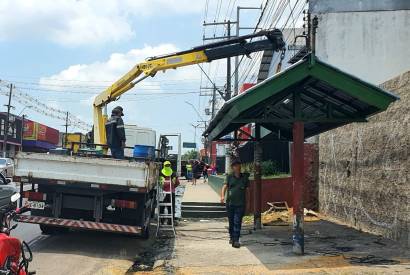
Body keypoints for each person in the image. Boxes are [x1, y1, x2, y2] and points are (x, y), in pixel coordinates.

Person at [220, 159, 249, 248]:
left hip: (240, 204)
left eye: (238, 165)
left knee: (237, 221)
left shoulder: (244, 178)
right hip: (230, 203)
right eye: (235, 166)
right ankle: (232, 237)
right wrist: (222, 196)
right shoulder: (229, 177)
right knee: (231, 222)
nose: (238, 167)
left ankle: (236, 240)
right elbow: (224, 187)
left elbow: (248, 191)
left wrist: (249, 203)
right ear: (233, 168)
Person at [160, 160, 180, 224]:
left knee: (162, 207)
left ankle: (162, 221)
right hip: (171, 193)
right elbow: (177, 183)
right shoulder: (173, 173)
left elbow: (161, 185)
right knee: (171, 207)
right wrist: (172, 186)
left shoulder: (161, 173)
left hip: (163, 193)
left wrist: (168, 184)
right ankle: (170, 221)